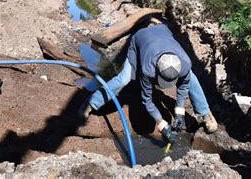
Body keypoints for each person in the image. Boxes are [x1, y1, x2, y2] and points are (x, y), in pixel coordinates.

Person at [79, 24, 218, 142]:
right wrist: (161, 123)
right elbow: (147, 100)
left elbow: (183, 87)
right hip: (140, 39)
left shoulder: (185, 64)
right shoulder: (148, 69)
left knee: (191, 78)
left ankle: (205, 113)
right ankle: (91, 102)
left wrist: (179, 113)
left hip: (163, 33)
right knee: (124, 79)